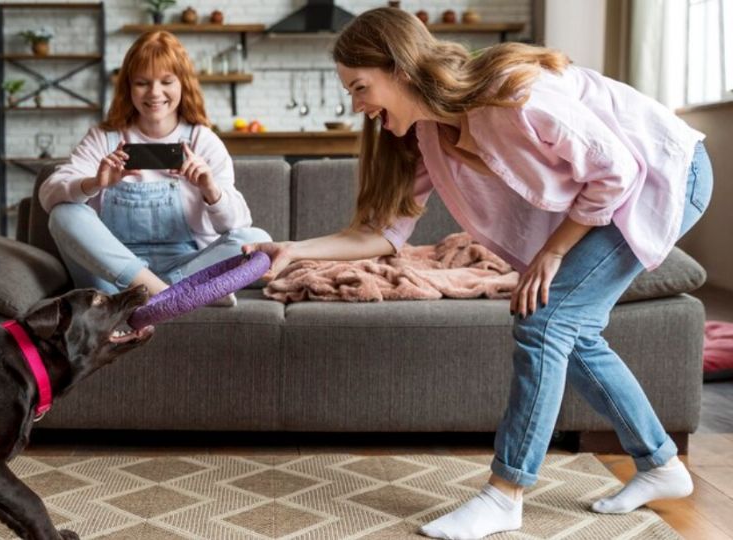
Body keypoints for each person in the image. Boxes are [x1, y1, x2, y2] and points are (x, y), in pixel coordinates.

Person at [244, 8, 711, 539]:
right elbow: (382, 235)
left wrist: (553, 253)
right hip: (616, 188)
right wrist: (293, 250)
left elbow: (617, 171)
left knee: (544, 321)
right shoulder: (431, 138)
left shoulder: (511, 96)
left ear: (398, 69)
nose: (356, 105)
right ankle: (660, 465)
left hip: (666, 171)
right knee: (570, 330)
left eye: (360, 87)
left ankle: (504, 494)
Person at [40, 31, 270, 305]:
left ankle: (149, 295)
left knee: (257, 239)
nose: (154, 93)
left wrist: (211, 189)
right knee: (63, 213)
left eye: (166, 81)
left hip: (183, 265)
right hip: (111, 276)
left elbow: (236, 225)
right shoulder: (104, 137)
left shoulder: (202, 140)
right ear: (128, 87)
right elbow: (48, 194)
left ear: (182, 84)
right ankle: (174, 296)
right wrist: (94, 183)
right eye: (142, 83)